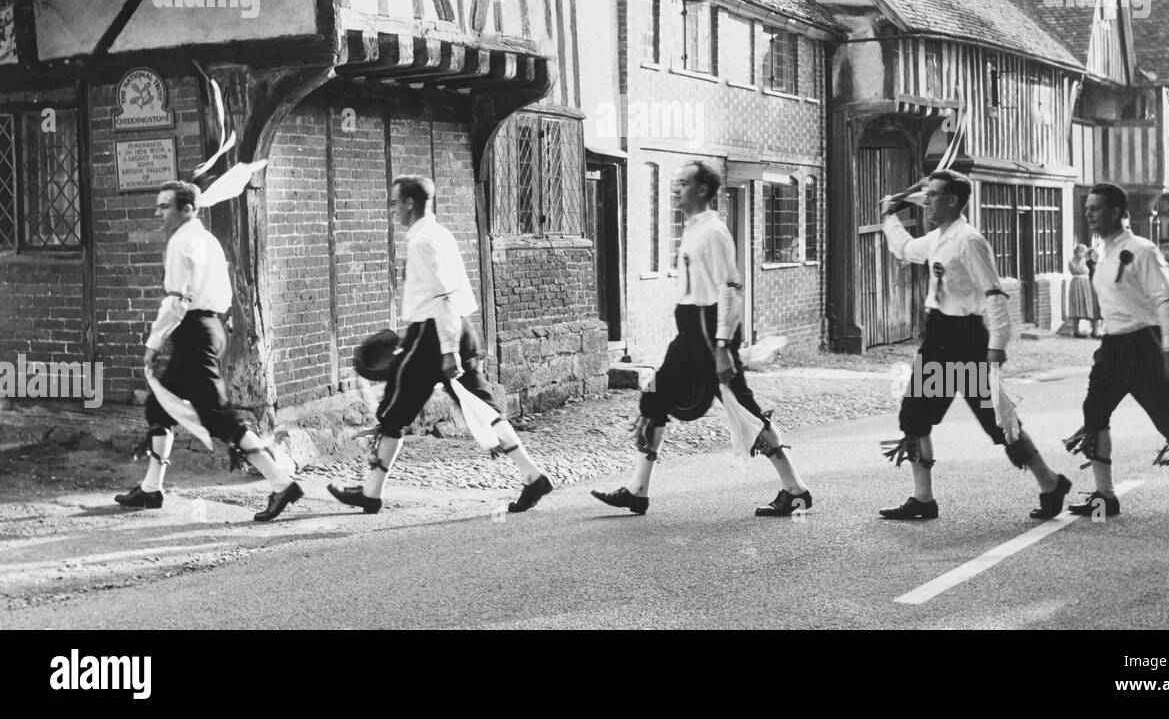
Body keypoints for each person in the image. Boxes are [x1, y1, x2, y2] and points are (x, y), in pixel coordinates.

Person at [591, 161, 812, 518]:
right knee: (656, 396)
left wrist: (723, 347)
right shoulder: (693, 229)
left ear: (703, 191)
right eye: (675, 182)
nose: (675, 189)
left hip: (710, 334)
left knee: (743, 408)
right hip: (690, 331)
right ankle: (637, 490)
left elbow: (730, 289)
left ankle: (796, 489)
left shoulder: (714, 232)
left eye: (683, 183)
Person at [328, 176, 553, 515]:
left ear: (409, 203)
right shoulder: (440, 233)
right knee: (483, 407)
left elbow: (443, 294)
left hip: (434, 334)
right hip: (457, 328)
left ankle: (371, 493)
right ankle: (532, 475)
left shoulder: (422, 241)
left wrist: (447, 351)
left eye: (394, 203)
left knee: (393, 410)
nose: (392, 210)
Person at [879, 170, 1071, 521]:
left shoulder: (969, 240)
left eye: (933, 196)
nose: (927, 202)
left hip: (967, 338)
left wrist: (997, 345)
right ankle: (923, 498)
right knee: (914, 414)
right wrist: (889, 215)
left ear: (952, 200)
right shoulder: (941, 237)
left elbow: (994, 292)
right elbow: (905, 249)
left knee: (998, 421)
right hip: (939, 335)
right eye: (926, 196)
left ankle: (1050, 482)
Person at [115, 181, 304, 522]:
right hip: (212, 328)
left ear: (187, 209)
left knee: (218, 416)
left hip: (193, 332)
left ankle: (281, 483)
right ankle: (151, 488)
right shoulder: (210, 240)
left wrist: (153, 344)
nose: (159, 213)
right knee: (159, 407)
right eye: (159, 206)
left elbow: (176, 301)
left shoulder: (180, 242)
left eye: (165, 206)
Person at [1063, 183, 1169, 516]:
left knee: (1166, 419)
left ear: (1118, 212)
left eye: (1096, 208)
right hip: (1112, 345)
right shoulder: (1101, 251)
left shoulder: (1143, 250)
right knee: (1094, 413)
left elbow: (1167, 301)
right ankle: (1104, 497)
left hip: (1144, 346)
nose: (1089, 214)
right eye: (1087, 208)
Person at [1066, 244, 1101, 338]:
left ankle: (1095, 331)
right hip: (1077, 284)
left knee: (1091, 306)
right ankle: (1076, 330)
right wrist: (1083, 260)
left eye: (1084, 251)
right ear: (1075, 252)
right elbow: (1077, 270)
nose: (1082, 253)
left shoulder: (1089, 261)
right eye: (1080, 251)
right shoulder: (1072, 262)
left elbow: (1095, 270)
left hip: (1088, 284)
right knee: (1077, 305)